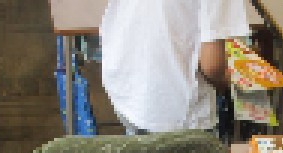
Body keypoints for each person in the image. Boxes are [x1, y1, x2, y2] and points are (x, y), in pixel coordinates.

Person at [100, 0, 250, 134]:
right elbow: (212, 66)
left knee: (140, 147)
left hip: (125, 82)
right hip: (174, 108)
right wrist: (229, 82)